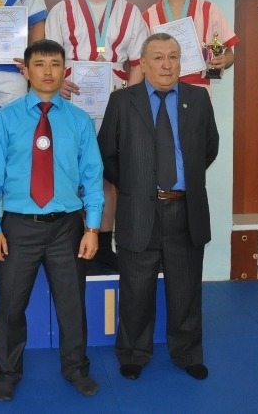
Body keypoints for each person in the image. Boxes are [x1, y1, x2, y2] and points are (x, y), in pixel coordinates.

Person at [0, 39, 105, 402]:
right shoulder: (6, 119)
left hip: (67, 227)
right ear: (27, 71)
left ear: (64, 70)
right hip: (18, 227)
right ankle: (6, 373)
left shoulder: (79, 120)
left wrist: (92, 228)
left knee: (72, 304)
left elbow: (93, 178)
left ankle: (76, 369)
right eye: (40, 64)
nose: (48, 71)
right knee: (10, 305)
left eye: (55, 64)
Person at [97, 33, 219, 382]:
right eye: (159, 57)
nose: (167, 65)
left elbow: (208, 148)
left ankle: (187, 353)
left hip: (185, 209)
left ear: (181, 62)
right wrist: (135, 188)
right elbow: (107, 153)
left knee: (186, 289)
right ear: (144, 64)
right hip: (139, 210)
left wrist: (180, 179)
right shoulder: (122, 101)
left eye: (173, 57)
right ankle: (133, 353)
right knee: (136, 289)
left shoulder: (198, 99)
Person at [45, 0, 148, 273]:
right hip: (70, 102)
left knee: (106, 174)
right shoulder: (61, 10)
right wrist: (56, 83)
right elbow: (50, 58)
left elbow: (138, 62)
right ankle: (71, 241)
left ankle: (103, 244)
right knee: (69, 172)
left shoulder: (130, 12)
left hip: (114, 105)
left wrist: (129, 98)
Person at [142, 0, 238, 89]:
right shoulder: (148, 17)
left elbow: (230, 53)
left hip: (199, 91)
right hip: (159, 91)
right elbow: (141, 61)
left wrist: (224, 60)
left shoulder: (209, 10)